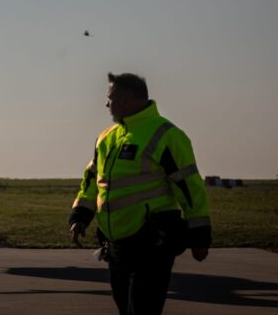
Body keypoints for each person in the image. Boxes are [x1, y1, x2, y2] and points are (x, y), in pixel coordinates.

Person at [69, 72, 211, 315]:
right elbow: (93, 180)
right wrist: (81, 215)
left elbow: (190, 187)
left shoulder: (166, 135)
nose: (106, 104)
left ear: (127, 100)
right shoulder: (106, 138)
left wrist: (199, 237)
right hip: (115, 245)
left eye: (110, 98)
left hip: (151, 243)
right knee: (126, 309)